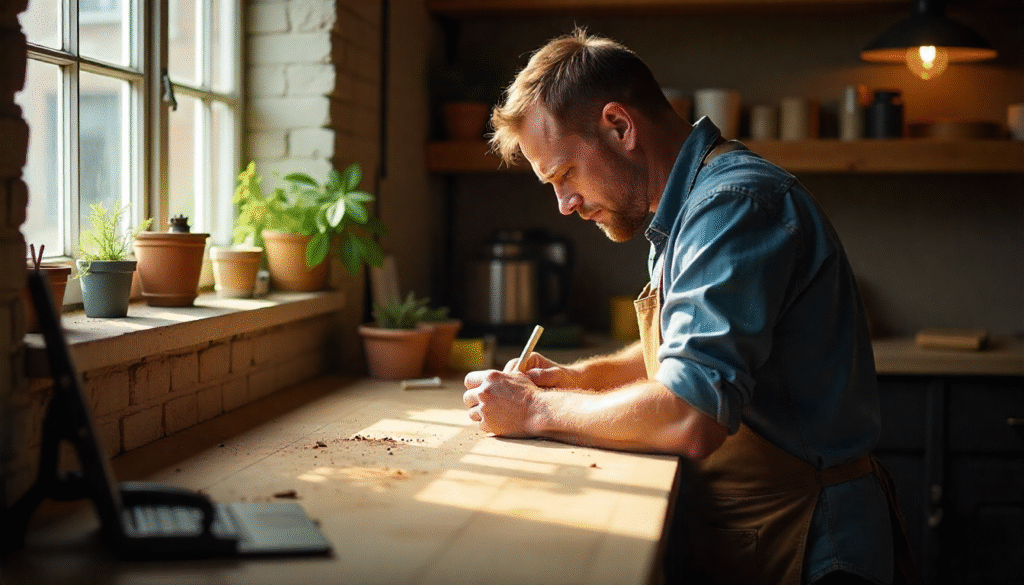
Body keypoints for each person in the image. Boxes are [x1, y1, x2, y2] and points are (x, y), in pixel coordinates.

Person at [462, 28, 916, 585]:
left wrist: (534, 410)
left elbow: (690, 413)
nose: (565, 204)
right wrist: (575, 380)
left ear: (620, 126)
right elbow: (682, 353)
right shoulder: (686, 205)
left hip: (812, 542)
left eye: (564, 174)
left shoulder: (732, 206)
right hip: (756, 525)